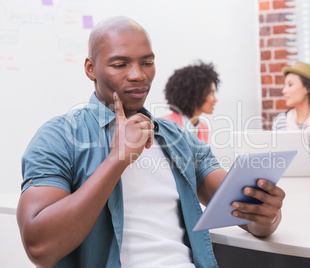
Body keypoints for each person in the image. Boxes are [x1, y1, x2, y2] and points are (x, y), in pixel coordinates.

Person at [17, 16, 285, 268]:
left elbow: (246, 213)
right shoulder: (59, 137)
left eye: (147, 63)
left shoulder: (178, 139)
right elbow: (40, 248)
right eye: (120, 64)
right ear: (91, 69)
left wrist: (266, 218)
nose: (138, 75)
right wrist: (116, 161)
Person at [160, 61, 219, 144]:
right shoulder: (164, 125)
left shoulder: (203, 128)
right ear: (195, 93)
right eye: (211, 93)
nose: (216, 99)